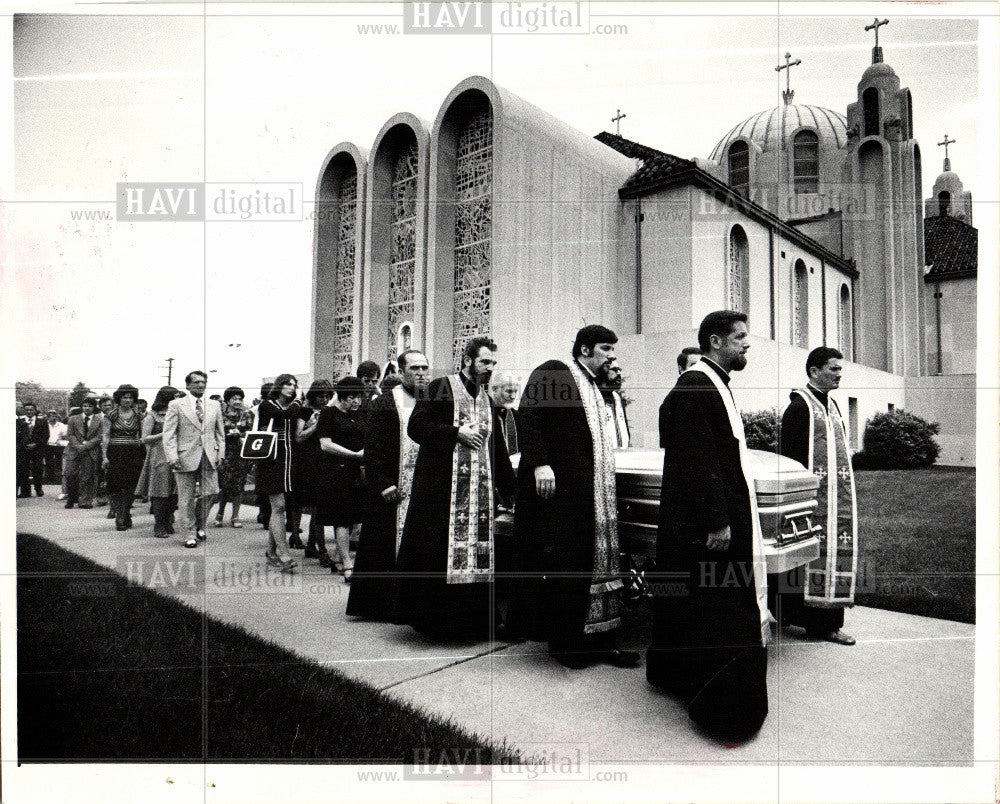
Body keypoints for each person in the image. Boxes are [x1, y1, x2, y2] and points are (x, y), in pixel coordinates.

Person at [646, 310, 770, 745]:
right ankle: (726, 710)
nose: (746, 346)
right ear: (715, 342)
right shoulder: (697, 387)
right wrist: (717, 520)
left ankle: (679, 677)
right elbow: (697, 461)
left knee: (696, 602)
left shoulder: (709, 383)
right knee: (719, 604)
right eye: (740, 339)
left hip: (709, 517)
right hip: (711, 525)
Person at [509, 325, 638, 669]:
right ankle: (568, 647)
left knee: (595, 566)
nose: (612, 355)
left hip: (591, 495)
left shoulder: (595, 387)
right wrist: (539, 463)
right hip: (561, 493)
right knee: (567, 567)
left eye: (613, 349)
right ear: (584, 349)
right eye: (606, 348)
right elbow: (529, 415)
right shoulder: (556, 371)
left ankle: (600, 642)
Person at [392, 337, 515, 639]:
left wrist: (511, 491)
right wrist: (456, 432)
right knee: (439, 553)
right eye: (485, 361)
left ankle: (474, 624)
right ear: (468, 361)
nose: (490, 368)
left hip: (478, 497)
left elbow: (495, 447)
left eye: (493, 363)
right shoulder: (441, 387)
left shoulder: (486, 399)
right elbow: (416, 427)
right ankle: (437, 624)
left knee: (478, 554)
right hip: (440, 493)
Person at [771, 347, 858, 645]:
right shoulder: (800, 408)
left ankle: (825, 622)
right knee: (804, 554)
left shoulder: (832, 408)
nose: (839, 373)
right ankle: (811, 622)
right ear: (814, 371)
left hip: (836, 499)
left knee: (827, 553)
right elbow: (790, 457)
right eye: (833, 368)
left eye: (839, 368)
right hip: (808, 498)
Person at [347, 349, 430, 619]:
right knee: (383, 544)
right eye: (415, 368)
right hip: (392, 486)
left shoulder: (430, 400)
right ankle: (379, 605)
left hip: (421, 486)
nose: (421, 374)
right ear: (401, 372)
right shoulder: (385, 402)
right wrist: (383, 483)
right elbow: (374, 447)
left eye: (424, 368)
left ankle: (409, 603)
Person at [255, 374, 312, 571]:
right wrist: (298, 400)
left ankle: (271, 553)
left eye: (294, 385)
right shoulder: (267, 405)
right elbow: (284, 415)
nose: (291, 388)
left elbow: (302, 418)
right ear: (279, 386)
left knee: (279, 507)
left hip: (289, 460)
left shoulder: (294, 407)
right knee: (278, 505)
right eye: (288, 384)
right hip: (271, 459)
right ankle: (285, 554)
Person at [163, 371, 225, 548]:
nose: (200, 385)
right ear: (188, 385)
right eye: (196, 382)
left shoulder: (214, 405)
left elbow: (220, 433)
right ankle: (189, 533)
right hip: (184, 456)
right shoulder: (176, 405)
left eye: (203, 382)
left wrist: (220, 453)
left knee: (212, 492)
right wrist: (172, 456)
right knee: (186, 498)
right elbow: (169, 434)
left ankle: (199, 523)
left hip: (209, 455)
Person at [317, 376, 367, 582]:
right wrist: (354, 455)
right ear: (342, 396)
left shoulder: (360, 414)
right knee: (342, 518)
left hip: (357, 472)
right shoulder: (328, 413)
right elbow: (325, 444)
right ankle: (347, 563)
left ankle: (339, 558)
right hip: (335, 471)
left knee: (355, 518)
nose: (356, 402)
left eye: (359, 398)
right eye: (352, 398)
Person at [135, 386, 182, 537]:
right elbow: (144, 438)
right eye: (174, 397)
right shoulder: (152, 416)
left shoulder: (178, 413)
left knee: (174, 491)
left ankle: (169, 520)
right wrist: (165, 433)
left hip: (177, 454)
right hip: (159, 455)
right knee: (160, 491)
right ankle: (159, 524)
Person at [297, 379, 334, 562]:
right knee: (317, 505)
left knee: (319, 505)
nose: (324, 399)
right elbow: (299, 437)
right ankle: (322, 549)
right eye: (321, 396)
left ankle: (312, 545)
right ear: (313, 395)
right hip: (309, 460)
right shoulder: (304, 411)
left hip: (324, 459)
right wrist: (317, 425)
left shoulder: (328, 410)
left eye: (327, 396)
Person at [101, 384, 147, 531]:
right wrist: (105, 456)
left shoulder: (138, 415)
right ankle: (120, 516)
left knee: (131, 485)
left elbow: (142, 435)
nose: (127, 400)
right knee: (116, 485)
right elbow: (106, 435)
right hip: (116, 452)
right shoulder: (111, 415)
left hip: (133, 452)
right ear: (119, 399)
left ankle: (125, 512)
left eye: (130, 397)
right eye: (124, 397)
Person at [213, 386, 255, 529]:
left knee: (239, 485)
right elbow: (216, 432)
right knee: (224, 484)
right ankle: (220, 513)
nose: (237, 401)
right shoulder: (220, 413)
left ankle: (235, 515)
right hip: (226, 453)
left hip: (241, 453)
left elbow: (251, 432)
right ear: (227, 400)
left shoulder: (247, 414)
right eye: (234, 398)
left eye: (240, 398)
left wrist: (241, 435)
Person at [64, 397, 103, 508]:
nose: (87, 408)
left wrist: (86, 446)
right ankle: (71, 499)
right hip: (74, 450)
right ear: (82, 407)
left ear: (94, 407)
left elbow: (100, 436)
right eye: (85, 406)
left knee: (88, 476)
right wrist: (78, 446)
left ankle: (86, 500)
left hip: (90, 451)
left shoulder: (99, 420)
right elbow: (70, 434)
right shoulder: (73, 418)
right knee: (70, 474)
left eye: (90, 406)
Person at [597, 356, 630, 449]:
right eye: (615, 370)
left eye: (619, 370)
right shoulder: (594, 396)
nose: (619, 373)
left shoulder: (617, 398)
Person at [18, 402, 50, 497]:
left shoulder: (42, 421)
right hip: (23, 449)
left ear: (35, 410)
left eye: (31, 409)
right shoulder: (19, 421)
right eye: (27, 410)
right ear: (24, 410)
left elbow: (46, 435)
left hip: (37, 449)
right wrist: (23, 445)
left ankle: (38, 488)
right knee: (23, 469)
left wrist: (36, 444)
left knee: (38, 469)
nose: (29, 412)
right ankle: (25, 491)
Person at [489, 371, 520, 457]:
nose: (513, 396)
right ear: (494, 390)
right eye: (509, 391)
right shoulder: (484, 412)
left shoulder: (517, 416)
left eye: (515, 392)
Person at [46, 410, 68, 485]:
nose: (54, 417)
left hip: (58, 445)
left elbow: (65, 436)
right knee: (49, 461)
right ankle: (50, 478)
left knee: (59, 460)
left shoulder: (61, 425)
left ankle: (59, 477)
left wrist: (60, 440)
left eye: (55, 415)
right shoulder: (45, 425)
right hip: (47, 445)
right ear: (48, 417)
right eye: (52, 416)